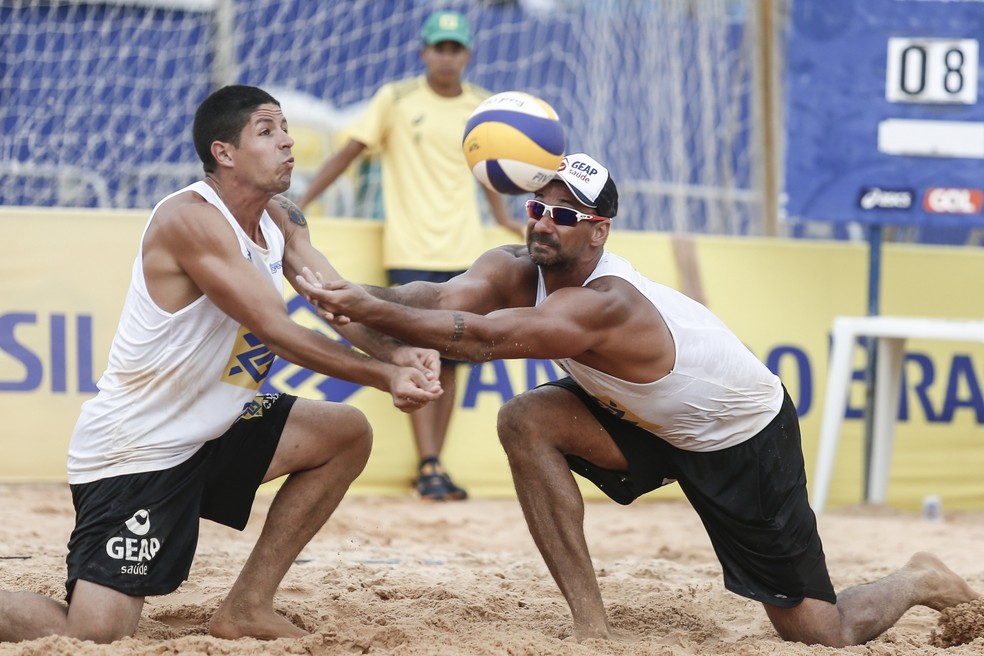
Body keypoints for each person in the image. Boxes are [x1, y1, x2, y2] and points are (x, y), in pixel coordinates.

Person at [295, 152, 982, 647]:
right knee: (525, 419)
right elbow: (428, 302)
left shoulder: (609, 304)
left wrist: (348, 301)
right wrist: (326, 283)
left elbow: (476, 341)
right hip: (647, 420)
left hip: (739, 437)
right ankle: (592, 626)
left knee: (817, 629)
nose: (544, 224)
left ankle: (921, 578)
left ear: (599, 231)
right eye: (538, 207)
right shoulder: (514, 267)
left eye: (565, 215)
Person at [0, 85, 444, 645]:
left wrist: (398, 350)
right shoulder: (189, 220)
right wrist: (384, 376)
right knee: (97, 636)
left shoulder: (281, 216)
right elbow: (277, 331)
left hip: (215, 429)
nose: (287, 141)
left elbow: (335, 299)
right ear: (224, 152)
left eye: (285, 127)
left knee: (345, 432)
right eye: (266, 130)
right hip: (139, 450)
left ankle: (247, 608)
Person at [296, 9, 525, 502]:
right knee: (423, 357)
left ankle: (434, 462)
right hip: (410, 245)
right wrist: (306, 200)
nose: (446, 56)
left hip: (466, 250)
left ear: (467, 54)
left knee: (453, 361)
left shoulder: (482, 107)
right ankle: (427, 464)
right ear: (424, 52)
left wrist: (504, 218)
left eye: (455, 48)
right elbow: (349, 151)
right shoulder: (396, 99)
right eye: (439, 47)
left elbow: (490, 172)